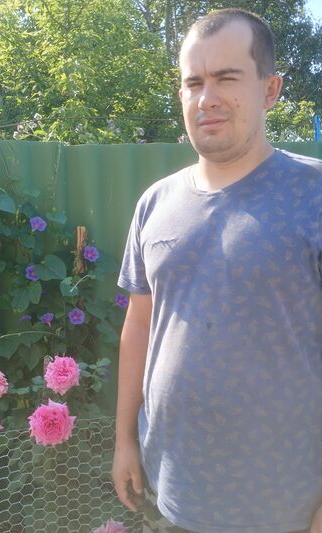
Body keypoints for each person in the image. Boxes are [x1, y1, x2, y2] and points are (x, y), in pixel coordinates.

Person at [112, 7, 322, 533]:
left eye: (227, 78)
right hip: (172, 494)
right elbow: (139, 324)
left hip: (286, 508)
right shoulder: (155, 203)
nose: (206, 98)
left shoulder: (314, 194)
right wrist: (123, 441)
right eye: (193, 82)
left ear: (269, 89)